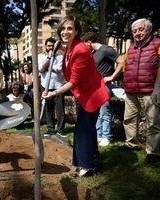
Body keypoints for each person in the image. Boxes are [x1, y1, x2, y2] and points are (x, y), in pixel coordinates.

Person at [42, 16, 109, 176]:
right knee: (87, 129)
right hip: (83, 93)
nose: (65, 32)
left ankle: (87, 167)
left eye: (70, 28)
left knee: (83, 130)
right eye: (63, 28)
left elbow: (73, 81)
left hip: (92, 94)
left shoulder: (80, 49)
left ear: (77, 31)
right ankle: (93, 160)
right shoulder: (69, 48)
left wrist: (53, 92)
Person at [122, 18, 160, 164]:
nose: (137, 33)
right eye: (134, 31)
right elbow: (125, 65)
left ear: (149, 30)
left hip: (150, 90)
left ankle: (153, 152)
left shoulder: (159, 43)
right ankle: (131, 144)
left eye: (141, 29)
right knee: (129, 119)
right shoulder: (132, 46)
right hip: (131, 89)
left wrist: (158, 87)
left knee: (153, 122)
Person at [81, 32, 124, 146]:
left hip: (104, 86)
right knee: (97, 113)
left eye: (84, 44)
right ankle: (98, 135)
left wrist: (111, 77)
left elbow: (121, 61)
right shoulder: (94, 53)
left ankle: (106, 136)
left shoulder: (106, 50)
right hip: (94, 87)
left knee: (105, 112)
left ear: (89, 42)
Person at [38, 37, 66, 137]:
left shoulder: (60, 57)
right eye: (49, 46)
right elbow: (40, 68)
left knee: (60, 109)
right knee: (48, 108)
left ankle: (61, 130)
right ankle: (50, 129)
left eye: (52, 46)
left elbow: (59, 69)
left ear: (56, 47)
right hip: (46, 86)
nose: (50, 48)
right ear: (45, 46)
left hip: (58, 86)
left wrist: (47, 67)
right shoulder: (41, 56)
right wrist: (49, 59)